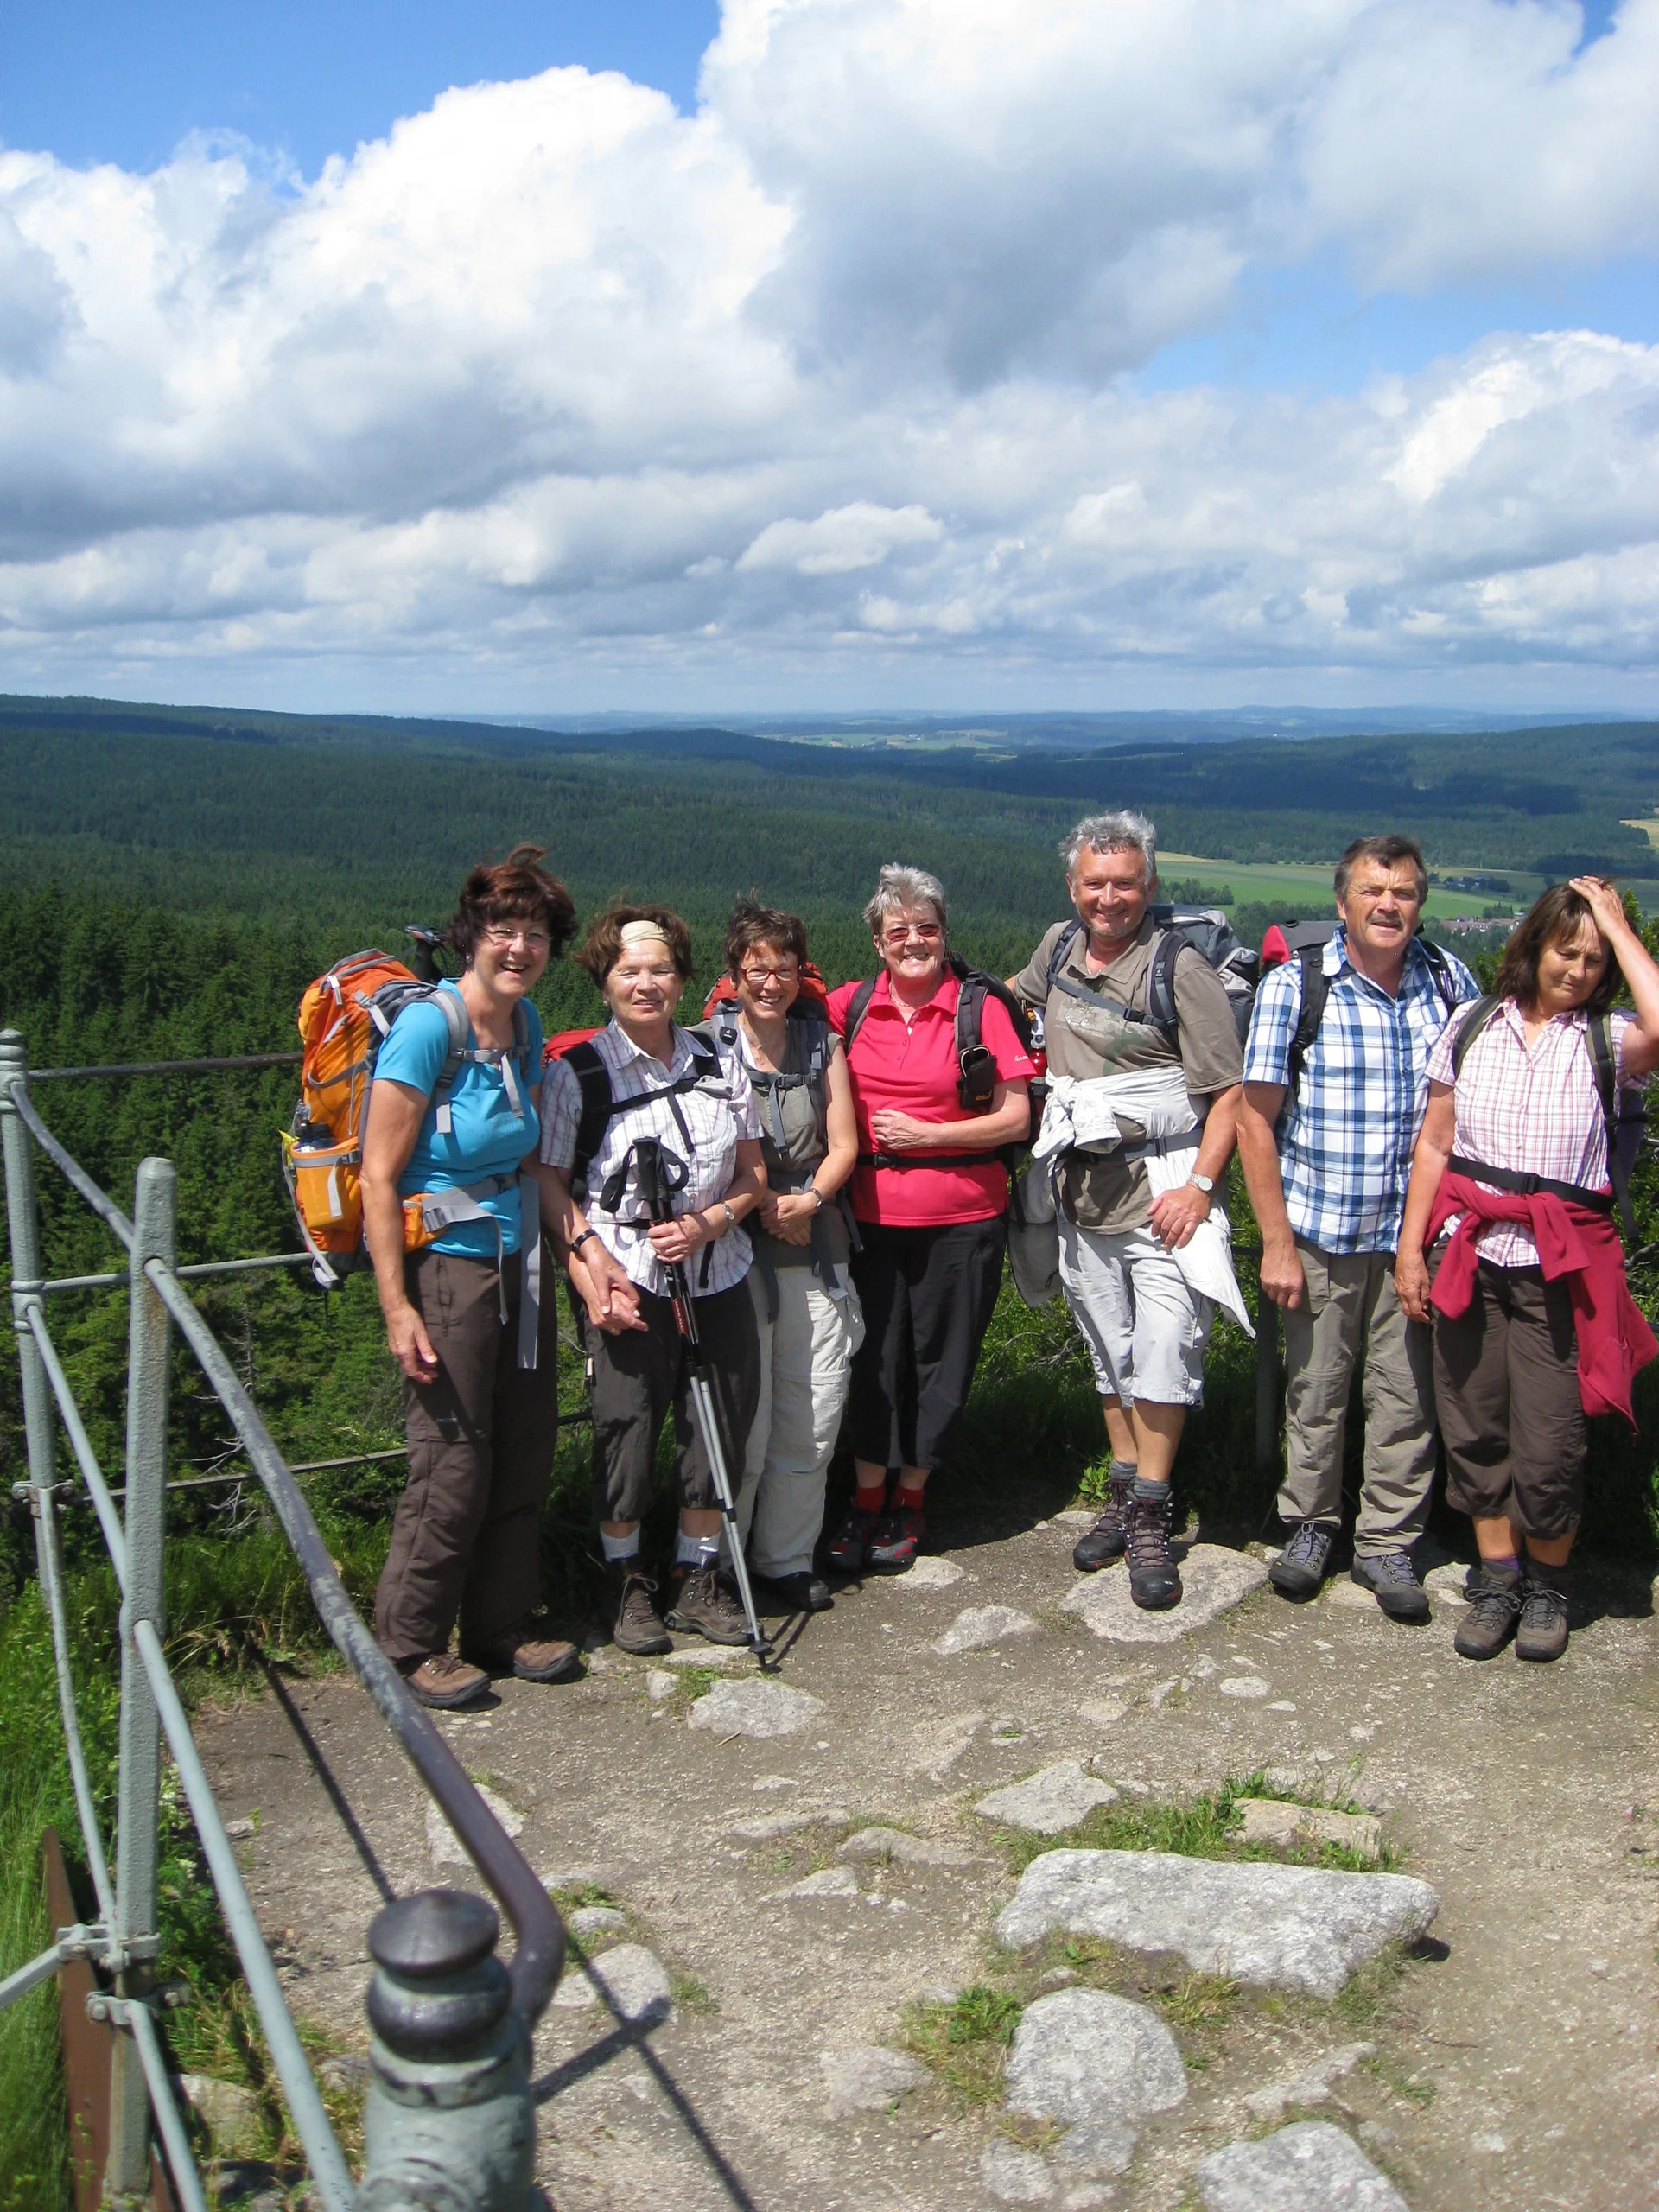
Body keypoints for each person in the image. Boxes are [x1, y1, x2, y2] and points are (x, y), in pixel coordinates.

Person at [362, 845, 623, 1710]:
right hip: (449, 1262)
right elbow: (378, 1175)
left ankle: (502, 1625)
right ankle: (407, 1643)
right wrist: (397, 1305)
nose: (520, 947)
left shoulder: (528, 1024)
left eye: (537, 933)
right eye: (504, 930)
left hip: (521, 1259)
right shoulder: (427, 1029)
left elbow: (530, 1155)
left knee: (523, 1443)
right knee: (453, 1456)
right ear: (473, 933)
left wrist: (578, 1248)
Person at [1395, 879, 1659, 1663]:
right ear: (1533, 947)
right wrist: (1412, 1248)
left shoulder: (1610, 1039)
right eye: (1564, 950)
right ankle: (1497, 1577)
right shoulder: (1471, 1027)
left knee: (1549, 1440)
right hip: (1469, 1252)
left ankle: (1548, 1584)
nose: (1576, 969)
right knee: (1474, 1425)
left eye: (1592, 957)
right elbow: (1436, 1146)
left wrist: (1614, 918)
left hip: (1560, 1264)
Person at [1237, 835, 1479, 1621]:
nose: (1389, 905)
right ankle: (1309, 1524)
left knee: (1408, 1395)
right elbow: (1253, 1122)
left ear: (1420, 902)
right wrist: (1275, 1240)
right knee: (1317, 1386)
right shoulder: (1295, 988)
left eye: (1404, 892)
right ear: (1342, 903)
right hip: (1320, 1230)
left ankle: (1387, 1542)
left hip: (1417, 1236)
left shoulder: (1449, 983)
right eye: (1374, 891)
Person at [1011, 811, 1245, 1611]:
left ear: (1150, 886)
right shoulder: (1058, 949)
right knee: (1109, 1350)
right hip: (1081, 1190)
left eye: (1125, 883)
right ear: (1073, 887)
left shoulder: (1180, 970)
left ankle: (1151, 1509)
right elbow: (1008, 1012)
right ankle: (1122, 1488)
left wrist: (1201, 1189)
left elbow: (1228, 1096)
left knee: (1164, 1350)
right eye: (1094, 883)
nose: (1109, 898)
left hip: (1163, 1191)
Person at [538, 904, 768, 1654]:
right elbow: (549, 1180)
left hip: (719, 1269)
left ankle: (696, 1580)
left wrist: (710, 1223)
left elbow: (753, 1174)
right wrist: (587, 1260)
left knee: (720, 1427)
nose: (647, 984)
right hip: (627, 1277)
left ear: (682, 977)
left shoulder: (717, 1057)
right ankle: (625, 1581)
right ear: (603, 982)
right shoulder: (579, 1073)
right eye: (629, 971)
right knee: (626, 1431)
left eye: (661, 969)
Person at [823, 865, 1036, 1575]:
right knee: (872, 1361)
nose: (913, 941)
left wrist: (930, 1135)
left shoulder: (980, 1009)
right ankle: (865, 1498)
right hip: (867, 1219)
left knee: (940, 1362)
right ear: (877, 942)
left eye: (927, 928)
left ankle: (910, 1501)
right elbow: (772, 1024)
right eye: (898, 931)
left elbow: (1016, 1115)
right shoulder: (848, 1007)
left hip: (964, 1217)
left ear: (945, 934)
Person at [699, 901, 863, 1613]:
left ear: (801, 973)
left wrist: (810, 1202)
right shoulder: (703, 1046)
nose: (771, 981)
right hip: (734, 1242)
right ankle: (717, 1562)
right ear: (734, 976)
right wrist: (770, 1206)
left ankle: (786, 1557)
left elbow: (845, 1141)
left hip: (813, 1237)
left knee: (814, 1405)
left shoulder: (822, 1043)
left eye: (784, 968)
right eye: (756, 969)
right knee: (745, 1411)